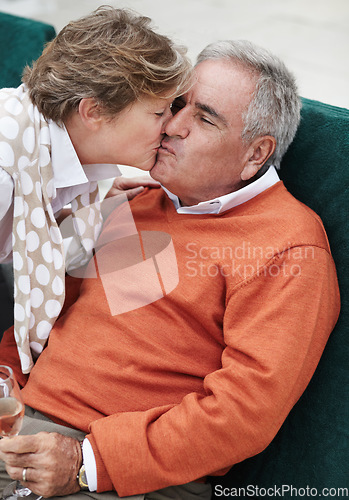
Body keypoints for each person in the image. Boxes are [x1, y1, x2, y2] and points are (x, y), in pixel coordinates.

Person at [0, 40, 340, 500]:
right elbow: (43, 318)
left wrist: (88, 465)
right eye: (176, 105)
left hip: (115, 473)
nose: (173, 127)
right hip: (20, 428)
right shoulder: (136, 197)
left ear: (255, 154)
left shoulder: (288, 246)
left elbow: (242, 416)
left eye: (204, 118)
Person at [0, 6, 191, 373]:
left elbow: (29, 233)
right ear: (94, 112)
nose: (172, 126)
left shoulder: (60, 150)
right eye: (159, 112)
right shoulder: (5, 172)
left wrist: (92, 207)